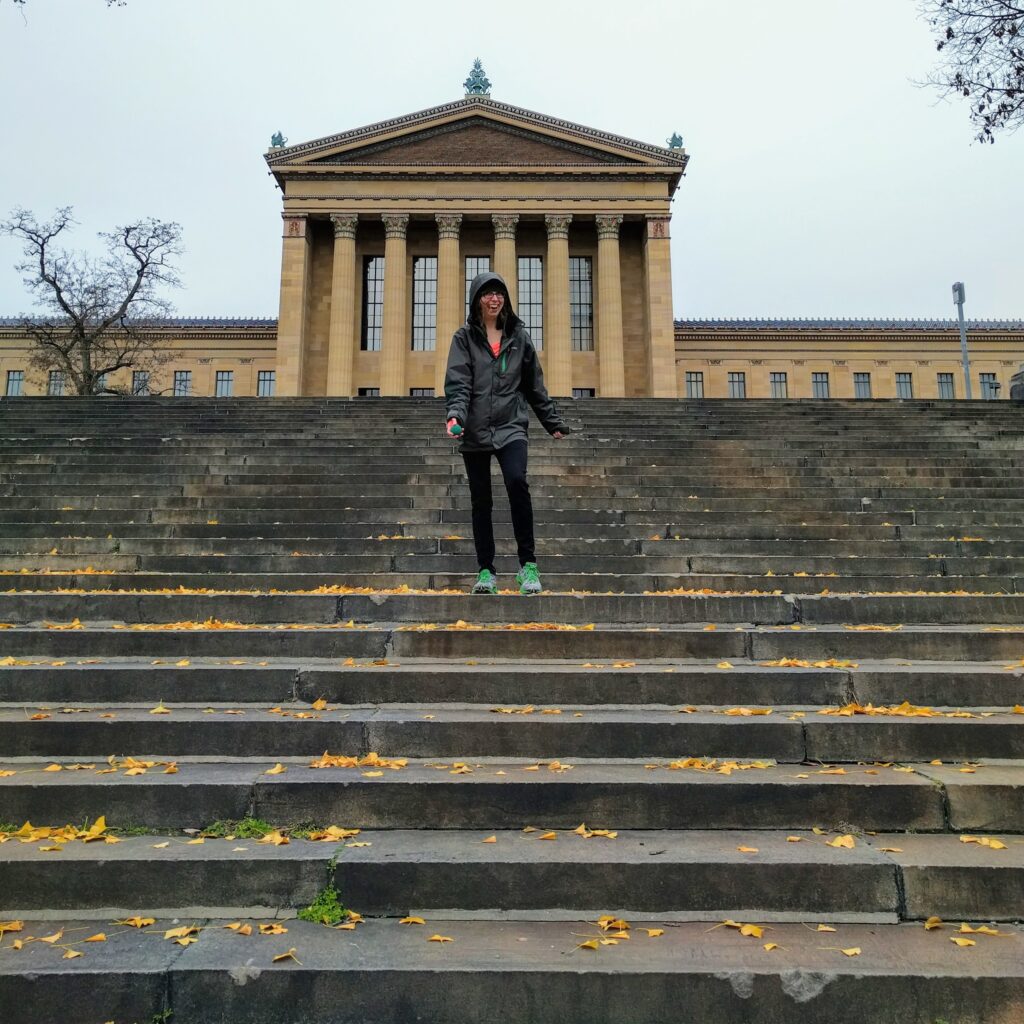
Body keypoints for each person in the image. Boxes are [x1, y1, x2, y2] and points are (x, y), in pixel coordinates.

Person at [444, 271, 567, 595]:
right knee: (481, 501)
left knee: (517, 482)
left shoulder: (519, 338)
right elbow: (459, 383)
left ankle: (528, 566)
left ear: (505, 299)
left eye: (499, 293)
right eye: (487, 293)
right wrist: (455, 416)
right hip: (475, 428)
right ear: (477, 300)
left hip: (511, 424)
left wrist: (551, 421)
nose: (494, 298)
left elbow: (534, 384)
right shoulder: (463, 339)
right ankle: (486, 570)